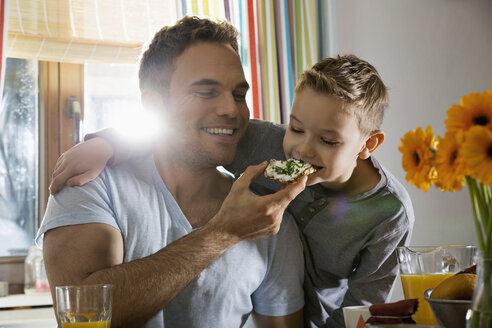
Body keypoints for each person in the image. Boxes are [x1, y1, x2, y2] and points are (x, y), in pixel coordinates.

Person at [50, 55, 415, 327]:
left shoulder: (390, 214)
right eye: (297, 128)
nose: (303, 150)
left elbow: (364, 307)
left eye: (328, 140)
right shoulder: (266, 143)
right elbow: (178, 133)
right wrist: (108, 143)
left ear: (369, 144)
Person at [37, 16, 308, 328]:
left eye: (238, 94)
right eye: (206, 92)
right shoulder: (90, 184)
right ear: (154, 105)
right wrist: (222, 233)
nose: (232, 110)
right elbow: (84, 315)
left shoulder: (268, 218)